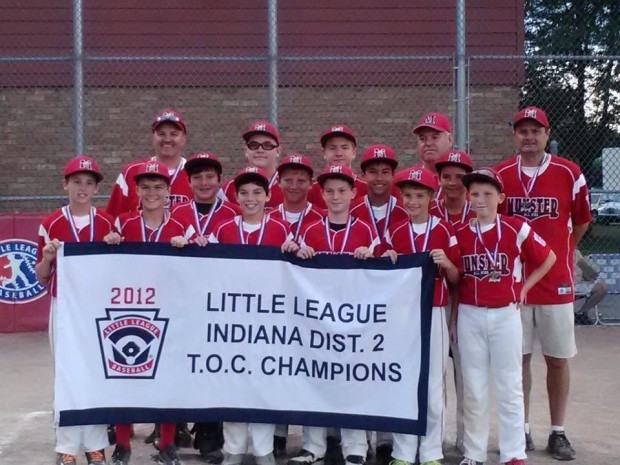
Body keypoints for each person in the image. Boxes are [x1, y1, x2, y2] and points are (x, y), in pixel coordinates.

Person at [495, 107, 592, 460]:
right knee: (516, 360)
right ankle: (520, 430)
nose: (529, 137)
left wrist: (565, 251)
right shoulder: (501, 174)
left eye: (536, 130)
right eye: (522, 130)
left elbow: (581, 221)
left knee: (557, 359)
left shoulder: (570, 172)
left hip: (556, 283)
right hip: (515, 284)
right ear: (514, 136)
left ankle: (558, 431)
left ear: (547, 134)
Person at [452, 168, 556, 465]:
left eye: (487, 193)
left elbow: (548, 257)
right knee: (473, 387)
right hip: (470, 314)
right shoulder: (459, 233)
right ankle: (474, 453)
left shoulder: (515, 227)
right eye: (474, 194)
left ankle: (513, 452)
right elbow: (456, 280)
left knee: (509, 384)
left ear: (501, 197)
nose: (480, 199)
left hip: (505, 314)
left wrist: (526, 287)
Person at [209, 167, 297, 465]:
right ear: (235, 197)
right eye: (244, 193)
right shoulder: (223, 229)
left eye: (257, 192)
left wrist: (294, 250)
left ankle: (263, 449)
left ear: (268, 196)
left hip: (267, 321)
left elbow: (293, 272)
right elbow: (205, 267)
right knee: (232, 381)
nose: (250, 198)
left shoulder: (281, 229)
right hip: (232, 320)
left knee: (264, 383)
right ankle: (233, 448)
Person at [105, 161, 190, 465]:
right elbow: (108, 266)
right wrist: (111, 243)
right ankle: (123, 445)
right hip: (132, 310)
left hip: (169, 312)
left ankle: (166, 443)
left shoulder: (181, 226)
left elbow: (199, 268)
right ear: (137, 190)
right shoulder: (124, 223)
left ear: (169, 191)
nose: (152, 193)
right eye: (145, 187)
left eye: (158, 187)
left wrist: (190, 246)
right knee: (127, 375)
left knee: (167, 379)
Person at [291, 165, 377, 465]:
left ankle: (356, 446)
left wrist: (372, 256)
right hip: (317, 322)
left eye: (342, 190)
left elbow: (381, 275)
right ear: (322, 194)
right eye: (329, 191)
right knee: (314, 379)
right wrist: (294, 252)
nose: (336, 196)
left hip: (354, 322)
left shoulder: (366, 230)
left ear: (354, 193)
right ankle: (313, 445)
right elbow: (296, 272)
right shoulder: (311, 229)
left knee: (353, 381)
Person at [35, 156, 116, 465]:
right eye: (76, 181)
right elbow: (41, 274)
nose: (82, 188)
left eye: (89, 183)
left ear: (96, 188)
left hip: (97, 308)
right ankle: (67, 445)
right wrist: (47, 256)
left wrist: (114, 244)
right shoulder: (52, 222)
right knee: (66, 373)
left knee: (96, 373)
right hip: (65, 306)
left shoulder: (107, 222)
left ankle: (95, 445)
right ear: (65, 184)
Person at [383, 165, 460, 465]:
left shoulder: (444, 229)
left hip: (435, 312)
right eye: (407, 195)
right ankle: (402, 452)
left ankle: (431, 452)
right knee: (404, 382)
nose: (412, 201)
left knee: (432, 384)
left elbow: (457, 278)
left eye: (418, 195)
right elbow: (381, 269)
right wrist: (386, 257)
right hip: (403, 317)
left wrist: (447, 264)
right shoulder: (396, 231)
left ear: (431, 196)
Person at [431, 149, 476, 453]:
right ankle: (436, 440)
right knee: (436, 375)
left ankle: (466, 440)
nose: (452, 182)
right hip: (438, 299)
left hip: (471, 300)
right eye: (446, 176)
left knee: (467, 374)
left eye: (459, 177)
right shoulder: (430, 211)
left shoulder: (479, 212)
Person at [106, 109, 193, 218]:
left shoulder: (195, 173)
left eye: (173, 134)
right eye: (161, 134)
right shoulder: (131, 172)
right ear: (153, 137)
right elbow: (112, 217)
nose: (167, 139)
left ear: (183, 138)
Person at [349, 144, 409, 257]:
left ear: (393, 175)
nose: (379, 178)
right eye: (373, 172)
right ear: (363, 175)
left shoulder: (405, 212)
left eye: (385, 172)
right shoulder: (351, 211)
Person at [221, 121, 284, 211]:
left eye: (267, 145)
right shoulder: (230, 187)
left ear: (278, 151)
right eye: (253, 145)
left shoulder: (289, 186)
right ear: (246, 150)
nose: (260, 150)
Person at [269, 153, 324, 246]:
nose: (294, 186)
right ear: (278, 182)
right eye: (288, 180)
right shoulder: (266, 219)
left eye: (301, 181)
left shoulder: (323, 219)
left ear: (311, 183)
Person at [307, 125, 367, 209]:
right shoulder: (312, 191)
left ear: (354, 152)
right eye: (332, 148)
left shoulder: (366, 188)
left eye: (344, 147)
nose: (339, 153)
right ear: (324, 153)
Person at [573, 249, 608, 325]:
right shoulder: (553, 253)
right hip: (562, 285)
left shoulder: (575, 252)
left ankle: (580, 314)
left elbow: (591, 273)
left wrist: (590, 273)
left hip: (579, 283)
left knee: (602, 287)